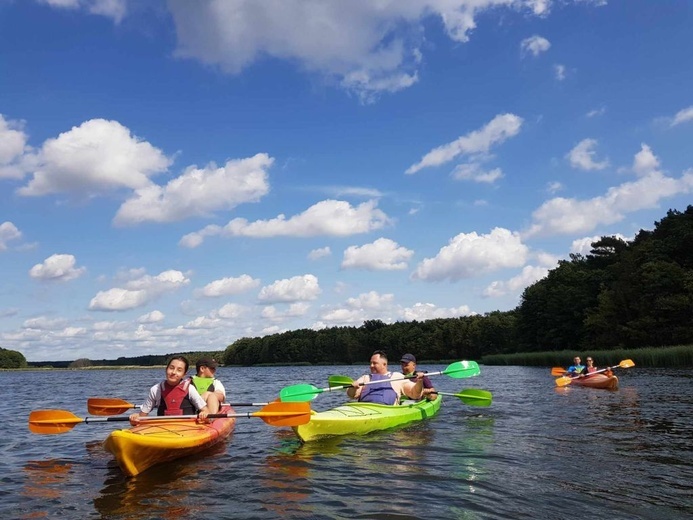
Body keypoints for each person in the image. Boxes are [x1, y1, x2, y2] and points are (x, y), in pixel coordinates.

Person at [129, 355, 211, 425]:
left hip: (188, 428)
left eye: (179, 370)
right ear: (166, 369)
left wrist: (204, 414)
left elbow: (206, 411)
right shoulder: (156, 389)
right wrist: (135, 419)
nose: (174, 372)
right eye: (171, 368)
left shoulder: (190, 389)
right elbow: (142, 416)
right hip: (163, 428)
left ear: (184, 374)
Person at [346, 350, 424, 405]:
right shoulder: (365, 378)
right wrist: (353, 388)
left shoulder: (397, 377)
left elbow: (415, 394)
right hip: (364, 409)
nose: (371, 366)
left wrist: (419, 381)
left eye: (374, 363)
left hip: (386, 411)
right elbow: (352, 395)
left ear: (384, 364)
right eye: (370, 363)